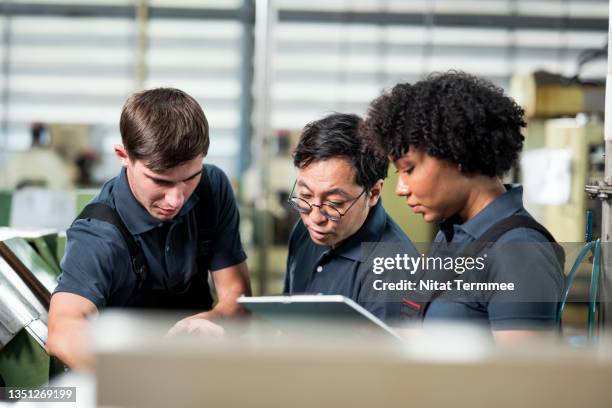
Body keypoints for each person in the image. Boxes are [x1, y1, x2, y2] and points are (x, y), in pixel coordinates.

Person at [47, 88, 251, 368]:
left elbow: (236, 296)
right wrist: (139, 381)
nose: (176, 199)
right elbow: (64, 331)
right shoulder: (98, 234)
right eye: (161, 181)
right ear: (123, 155)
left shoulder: (213, 188)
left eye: (190, 178)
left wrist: (211, 320)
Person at [362, 72, 565, 342]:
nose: (401, 188)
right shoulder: (452, 234)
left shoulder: (518, 251)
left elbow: (523, 379)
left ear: (456, 152)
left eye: (408, 169)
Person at [284, 112, 419, 323]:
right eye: (305, 196)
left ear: (373, 193)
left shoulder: (394, 267)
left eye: (335, 203)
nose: (315, 217)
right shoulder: (304, 231)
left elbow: (383, 355)